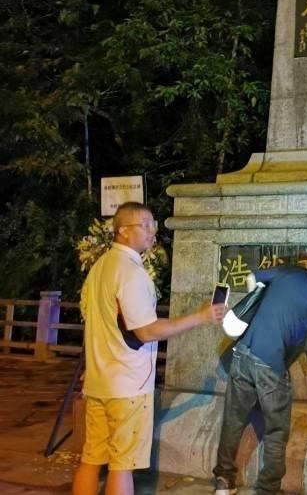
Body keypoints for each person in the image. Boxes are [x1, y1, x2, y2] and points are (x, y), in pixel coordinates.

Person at [72, 201, 225, 495]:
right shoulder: (130, 273)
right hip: (128, 386)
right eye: (145, 225)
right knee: (121, 465)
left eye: (153, 225)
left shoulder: (99, 267)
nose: (152, 232)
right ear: (123, 231)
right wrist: (199, 317)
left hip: (99, 380)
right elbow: (145, 331)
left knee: (91, 460)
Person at [213, 251, 307, 495]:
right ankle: (267, 489)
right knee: (276, 430)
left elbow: (252, 278)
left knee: (233, 420)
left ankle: (223, 480)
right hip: (270, 364)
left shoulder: (290, 271)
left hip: (242, 351)